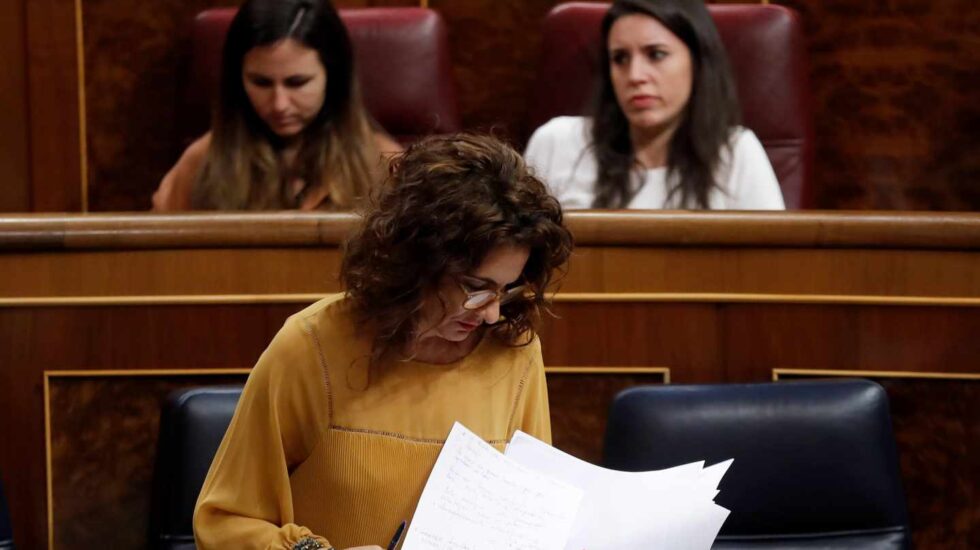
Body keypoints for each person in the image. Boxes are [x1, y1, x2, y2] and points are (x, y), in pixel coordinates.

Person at [193, 133, 574, 550]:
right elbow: (224, 521)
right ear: (416, 261)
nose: (492, 314)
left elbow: (531, 524)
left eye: (506, 289)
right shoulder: (312, 346)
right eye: (475, 287)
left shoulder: (514, 351)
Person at [525, 0, 785, 210]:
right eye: (620, 58)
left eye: (656, 54)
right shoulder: (556, 142)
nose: (635, 75)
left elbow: (773, 268)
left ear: (697, 63)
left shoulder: (736, 153)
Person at [152, 0, 401, 211]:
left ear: (333, 78)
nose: (279, 104)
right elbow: (159, 257)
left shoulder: (384, 165)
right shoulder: (202, 162)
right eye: (261, 82)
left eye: (297, 82)